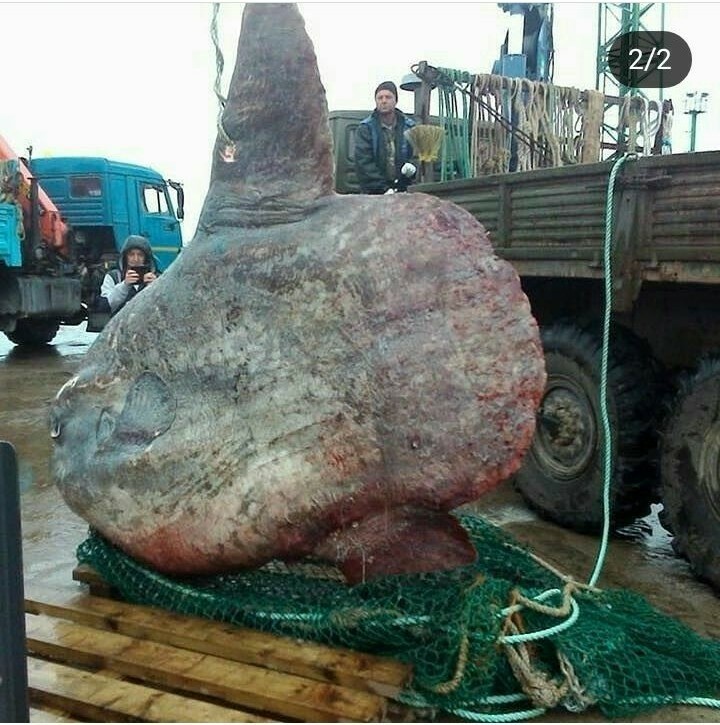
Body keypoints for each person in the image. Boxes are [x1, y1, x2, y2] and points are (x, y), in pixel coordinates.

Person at [354, 80, 418, 195]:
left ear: (395, 100)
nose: (384, 101)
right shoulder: (365, 128)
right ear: (376, 101)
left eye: (388, 97)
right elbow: (364, 162)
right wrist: (383, 189)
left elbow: (417, 155)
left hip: (404, 191)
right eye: (380, 98)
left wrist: (412, 167)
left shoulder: (409, 126)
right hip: (373, 193)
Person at [99, 235, 158, 316]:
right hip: (119, 327)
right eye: (131, 254)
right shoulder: (113, 276)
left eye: (140, 255)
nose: (136, 259)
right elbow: (105, 306)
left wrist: (155, 288)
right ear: (125, 257)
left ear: (146, 258)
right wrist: (124, 285)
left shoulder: (157, 278)